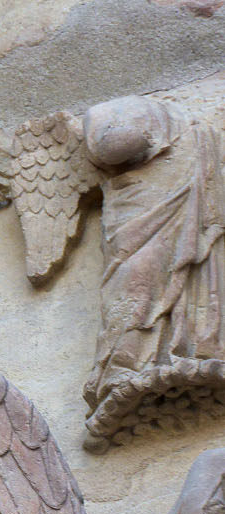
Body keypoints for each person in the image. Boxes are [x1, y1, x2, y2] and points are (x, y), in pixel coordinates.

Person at [82, 95, 225, 445]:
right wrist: (140, 134)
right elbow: (109, 148)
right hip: (136, 211)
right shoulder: (101, 114)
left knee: (201, 268)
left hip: (182, 191)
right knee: (136, 282)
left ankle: (197, 348)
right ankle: (121, 368)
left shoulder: (196, 134)